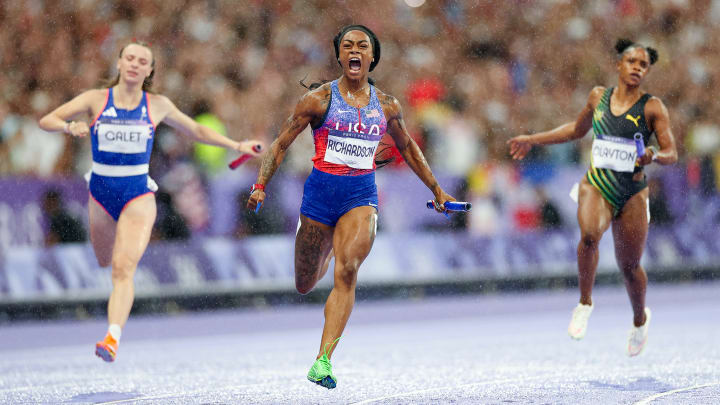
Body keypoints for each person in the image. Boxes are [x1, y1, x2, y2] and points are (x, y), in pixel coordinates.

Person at [247, 25, 455, 388]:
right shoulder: (318, 100)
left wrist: (437, 189)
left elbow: (407, 148)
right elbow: (280, 144)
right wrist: (261, 185)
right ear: (340, 56)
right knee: (304, 283)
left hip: (361, 198)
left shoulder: (387, 105)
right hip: (318, 199)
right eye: (347, 46)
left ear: (372, 57)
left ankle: (323, 360)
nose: (355, 50)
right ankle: (324, 249)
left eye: (362, 46)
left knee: (348, 270)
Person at [38, 40, 263, 362]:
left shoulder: (157, 105)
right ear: (118, 64)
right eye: (129, 58)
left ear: (149, 70)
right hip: (100, 193)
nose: (134, 64)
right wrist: (67, 126)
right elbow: (46, 119)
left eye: (142, 61)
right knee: (103, 259)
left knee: (122, 268)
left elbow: (196, 129)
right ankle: (112, 313)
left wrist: (236, 144)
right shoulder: (94, 99)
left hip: (138, 194)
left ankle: (112, 337)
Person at [507, 39, 677, 356]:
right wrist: (533, 138)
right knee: (589, 236)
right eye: (632, 62)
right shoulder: (598, 96)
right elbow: (575, 129)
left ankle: (640, 319)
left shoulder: (653, 108)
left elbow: (672, 152)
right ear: (619, 65)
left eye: (643, 65)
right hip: (597, 183)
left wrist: (654, 155)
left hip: (632, 192)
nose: (637, 68)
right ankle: (584, 303)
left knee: (629, 266)